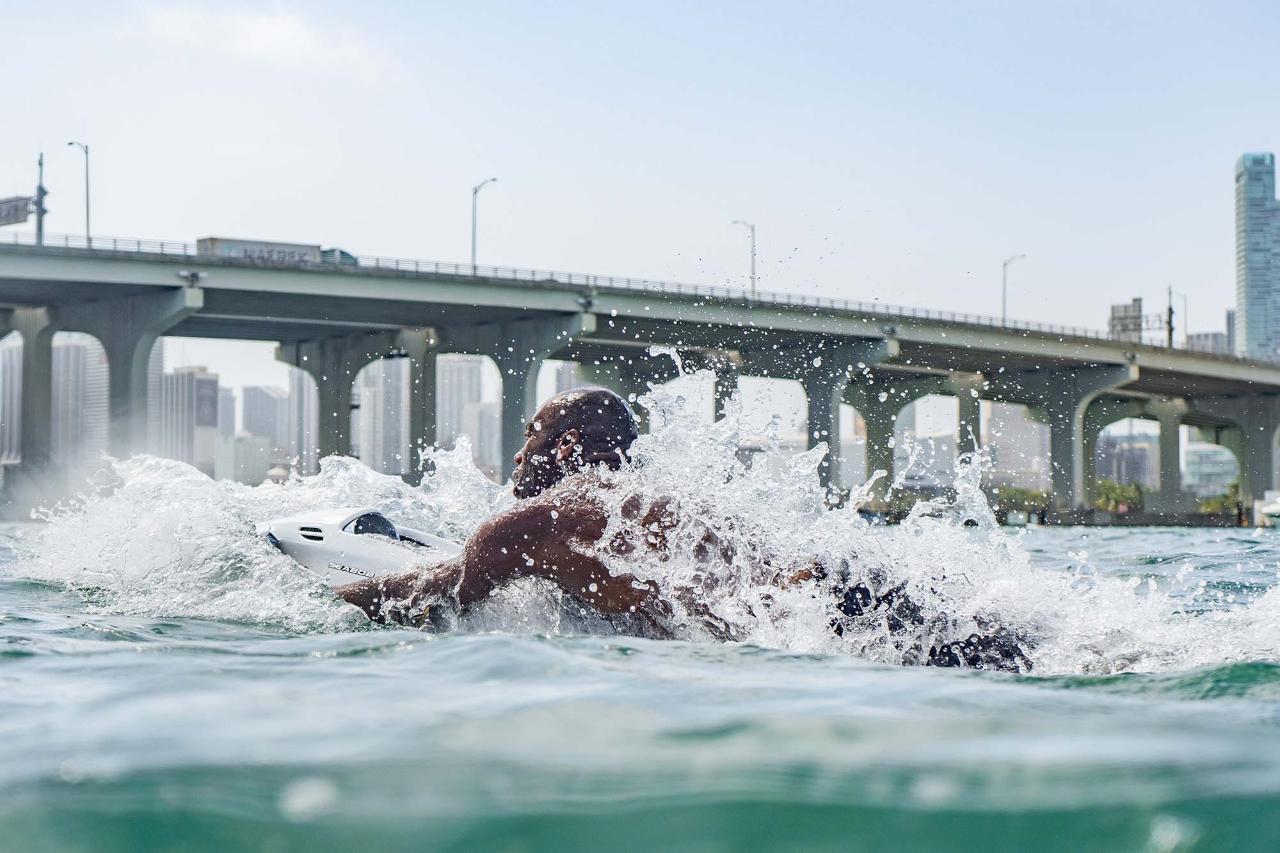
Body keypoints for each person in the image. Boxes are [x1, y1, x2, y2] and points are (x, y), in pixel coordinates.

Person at [336, 387, 1032, 671]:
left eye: (532, 437)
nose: (519, 456)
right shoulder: (654, 502)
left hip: (832, 618)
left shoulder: (534, 520)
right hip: (847, 595)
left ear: (571, 447)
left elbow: (433, 592)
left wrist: (306, 594)